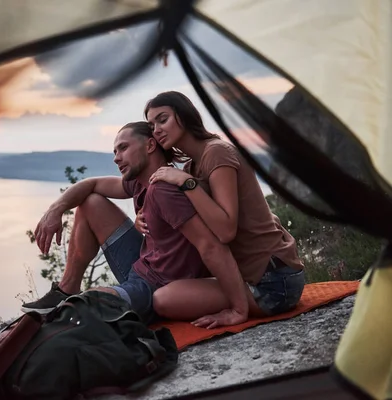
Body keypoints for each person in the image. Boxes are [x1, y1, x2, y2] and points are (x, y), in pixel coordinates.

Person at [21, 121, 264, 328]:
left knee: (89, 303)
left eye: (123, 148)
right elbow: (90, 184)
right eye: (115, 151)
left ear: (150, 146)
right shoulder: (139, 182)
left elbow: (210, 245)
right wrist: (56, 210)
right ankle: (66, 289)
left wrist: (238, 306)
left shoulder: (166, 189)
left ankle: (78, 301)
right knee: (91, 203)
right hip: (142, 266)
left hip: (160, 286)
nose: (117, 158)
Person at [141, 90, 305, 323]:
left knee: (164, 300)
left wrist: (185, 183)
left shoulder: (216, 152)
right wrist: (143, 218)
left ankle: (240, 308)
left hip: (273, 282)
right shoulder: (192, 167)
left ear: (185, 116)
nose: (156, 129)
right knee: (168, 293)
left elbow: (226, 230)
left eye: (162, 119)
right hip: (256, 276)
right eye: (151, 125)